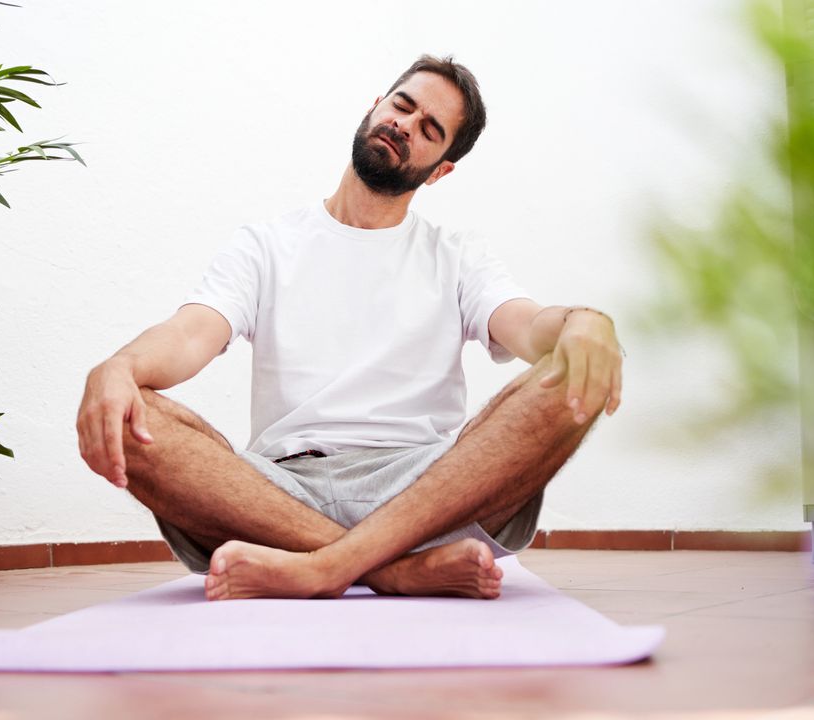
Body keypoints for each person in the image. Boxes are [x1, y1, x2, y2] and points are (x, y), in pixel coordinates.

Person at [76, 55, 623, 602]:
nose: (405, 125)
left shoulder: (458, 256)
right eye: (402, 106)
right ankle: (394, 571)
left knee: (577, 373)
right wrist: (120, 367)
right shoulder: (265, 245)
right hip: (276, 492)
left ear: (440, 170)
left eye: (430, 130)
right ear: (375, 108)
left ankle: (319, 566)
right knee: (130, 413)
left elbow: (527, 326)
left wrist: (584, 325)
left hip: (425, 489)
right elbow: (190, 333)